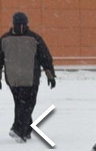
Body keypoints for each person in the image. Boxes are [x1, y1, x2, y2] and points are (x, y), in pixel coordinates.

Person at [0, 12, 56, 143]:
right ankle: (18, 129)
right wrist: (50, 75)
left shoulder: (4, 39)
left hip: (12, 79)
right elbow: (45, 58)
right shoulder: (34, 38)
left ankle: (26, 131)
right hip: (30, 78)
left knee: (20, 104)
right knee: (27, 105)